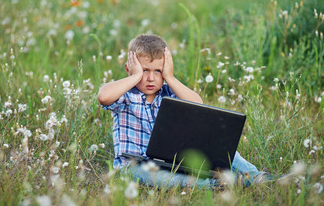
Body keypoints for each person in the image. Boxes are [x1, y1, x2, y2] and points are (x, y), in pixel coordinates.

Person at [98, 34, 269, 189]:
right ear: (130, 69)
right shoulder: (125, 95)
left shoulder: (169, 93)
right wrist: (134, 77)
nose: (151, 78)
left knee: (224, 151)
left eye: (158, 71)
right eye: (144, 71)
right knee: (160, 178)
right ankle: (215, 184)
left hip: (172, 162)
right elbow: (104, 97)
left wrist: (170, 79)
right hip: (135, 166)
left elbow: (198, 105)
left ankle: (258, 177)